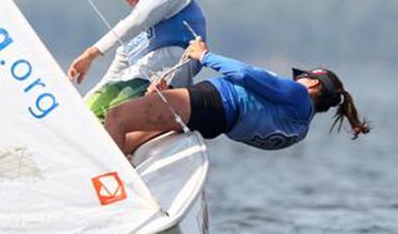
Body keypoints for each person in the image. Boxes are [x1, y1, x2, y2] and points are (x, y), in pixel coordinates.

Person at [104, 38, 371, 155]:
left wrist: (204, 55)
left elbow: (245, 74)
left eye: (302, 76)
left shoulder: (298, 96)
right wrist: (170, 98)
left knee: (116, 117)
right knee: (126, 143)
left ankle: (108, 198)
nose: (296, 79)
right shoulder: (299, 129)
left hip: (212, 103)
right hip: (213, 123)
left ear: (312, 84)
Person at [67, 0, 207, 121]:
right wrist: (77, 110)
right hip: (138, 80)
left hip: (167, 80)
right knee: (90, 109)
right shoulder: (128, 35)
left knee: (110, 113)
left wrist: (90, 55)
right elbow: (111, 79)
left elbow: (139, 19)